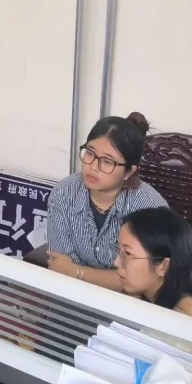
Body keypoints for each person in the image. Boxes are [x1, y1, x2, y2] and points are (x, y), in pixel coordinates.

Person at [46, 112, 166, 290]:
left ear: (129, 172)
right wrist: (74, 272)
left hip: (129, 301)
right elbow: (60, 265)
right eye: (90, 153)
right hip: (71, 292)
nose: (93, 166)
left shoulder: (149, 208)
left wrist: (78, 272)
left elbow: (141, 281)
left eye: (108, 161)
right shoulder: (64, 192)